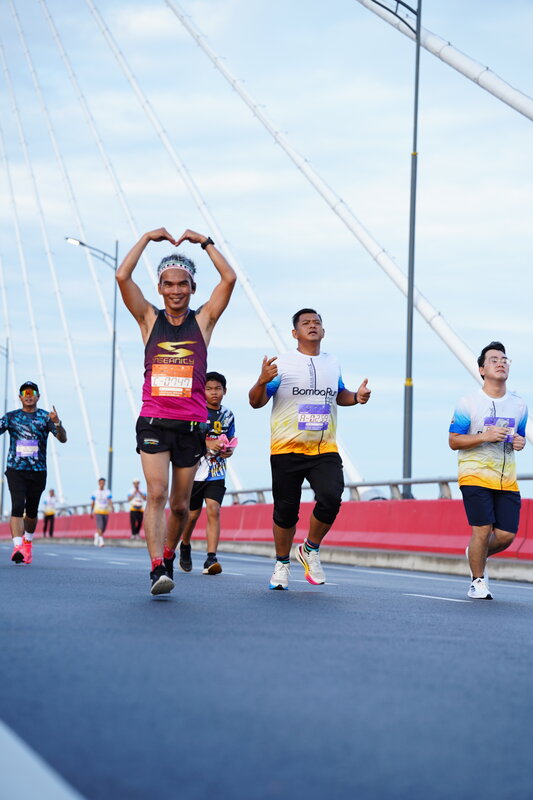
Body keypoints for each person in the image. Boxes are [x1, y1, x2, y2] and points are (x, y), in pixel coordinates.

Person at [116, 227, 236, 595]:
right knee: (156, 494)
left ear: (193, 288)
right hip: (154, 421)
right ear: (159, 288)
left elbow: (229, 278)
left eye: (182, 284)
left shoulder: (203, 322)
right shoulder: (148, 320)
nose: (175, 290)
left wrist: (205, 243)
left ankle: (169, 554)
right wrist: (146, 239)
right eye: (168, 284)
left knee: (180, 506)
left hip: (190, 426)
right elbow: (122, 276)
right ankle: (156, 567)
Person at [249, 308, 371, 590]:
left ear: (323, 331)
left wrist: (357, 396)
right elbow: (256, 402)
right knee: (285, 511)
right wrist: (262, 381)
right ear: (295, 333)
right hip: (286, 448)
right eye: (306, 323)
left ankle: (310, 549)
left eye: (317, 322)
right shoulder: (282, 364)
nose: (312, 326)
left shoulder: (332, 362)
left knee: (331, 497)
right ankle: (282, 564)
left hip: (323, 448)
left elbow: (340, 395)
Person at [449, 341, 527, 600]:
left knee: (506, 536)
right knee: (482, 529)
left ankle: (475, 553)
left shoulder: (519, 405)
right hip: (474, 475)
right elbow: (453, 441)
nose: (500, 363)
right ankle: (477, 581)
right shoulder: (468, 403)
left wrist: (520, 442)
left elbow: (518, 439)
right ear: (482, 370)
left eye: (504, 359)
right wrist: (484, 436)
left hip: (506, 479)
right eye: (494, 360)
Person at [0, 381, 67, 564]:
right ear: (20, 397)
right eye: (25, 393)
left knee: (31, 511)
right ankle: (17, 547)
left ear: (38, 396)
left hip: (38, 471)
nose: (28, 395)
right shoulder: (11, 417)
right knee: (17, 506)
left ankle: (27, 542)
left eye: (32, 392)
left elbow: (62, 439)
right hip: (16, 470)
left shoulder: (46, 417)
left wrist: (57, 423)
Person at [179, 371, 237, 575]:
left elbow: (231, 439)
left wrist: (228, 450)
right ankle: (185, 544)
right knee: (192, 515)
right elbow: (186, 439)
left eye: (218, 389)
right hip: (194, 471)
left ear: (224, 391)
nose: (214, 392)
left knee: (214, 509)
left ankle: (211, 558)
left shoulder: (228, 415)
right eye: (209, 389)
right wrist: (207, 443)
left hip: (217, 471)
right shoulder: (195, 411)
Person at [90, 478, 113, 547]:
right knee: (100, 526)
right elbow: (93, 502)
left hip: (105, 511)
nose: (102, 484)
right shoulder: (95, 492)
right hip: (98, 511)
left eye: (103, 483)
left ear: (104, 483)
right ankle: (101, 541)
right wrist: (91, 511)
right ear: (98, 483)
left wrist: (112, 507)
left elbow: (109, 500)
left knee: (104, 528)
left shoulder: (107, 492)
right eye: (100, 483)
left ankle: (97, 534)